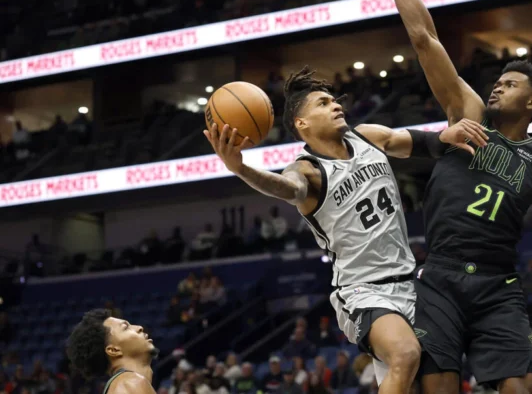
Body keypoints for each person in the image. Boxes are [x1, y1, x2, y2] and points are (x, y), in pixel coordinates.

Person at [358, 0, 532, 394]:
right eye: (498, 82)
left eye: (511, 84)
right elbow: (424, 37)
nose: (497, 86)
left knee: (523, 389)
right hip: (440, 278)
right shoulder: (469, 116)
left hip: (497, 286)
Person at [205, 67, 485, 393]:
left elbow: (419, 142)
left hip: (411, 283)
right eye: (323, 103)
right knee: (405, 354)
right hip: (363, 292)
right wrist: (240, 168)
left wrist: (445, 136)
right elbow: (286, 188)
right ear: (301, 123)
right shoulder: (306, 170)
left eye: (335, 100)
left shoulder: (367, 136)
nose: (336, 105)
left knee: (443, 382)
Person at [65, 309, 157, 394]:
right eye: (126, 327)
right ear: (114, 350)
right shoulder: (129, 384)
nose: (139, 327)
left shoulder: (124, 384)